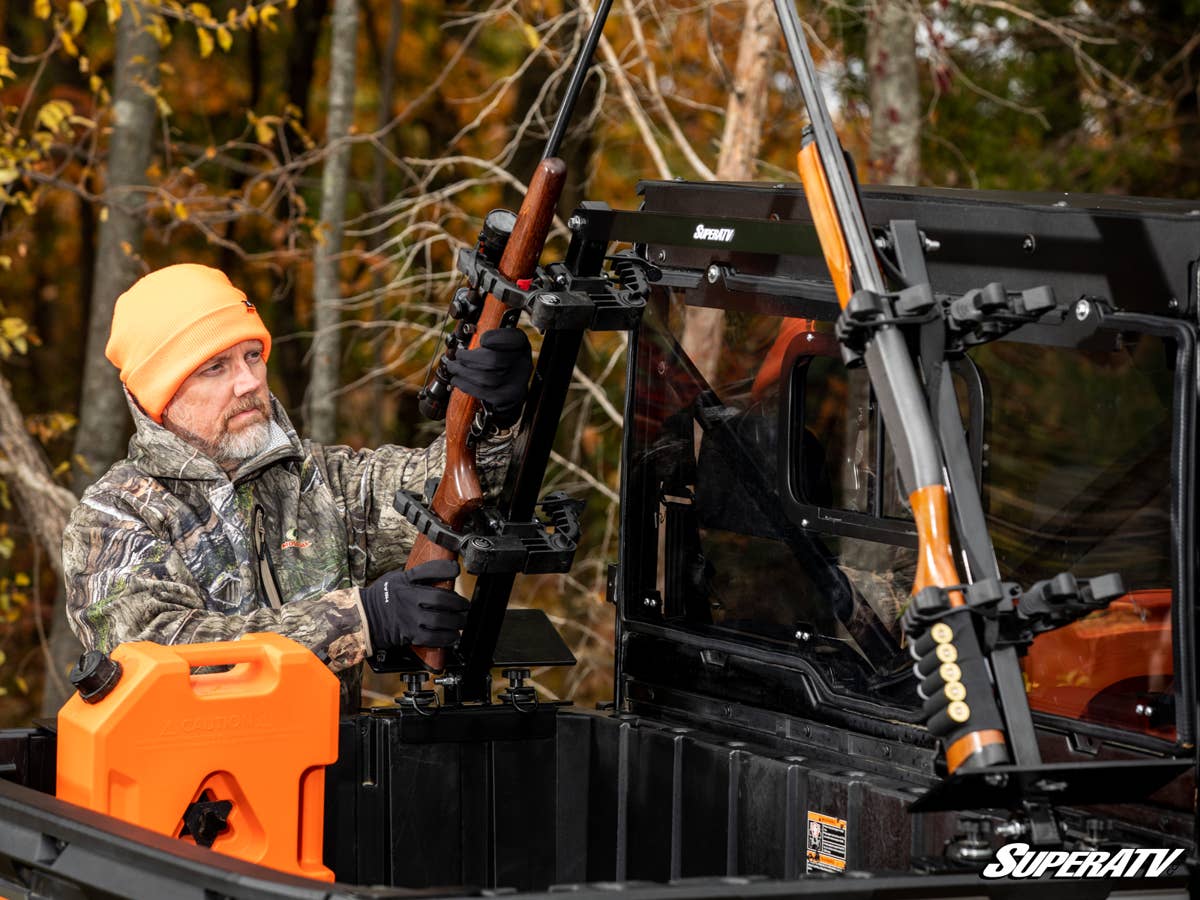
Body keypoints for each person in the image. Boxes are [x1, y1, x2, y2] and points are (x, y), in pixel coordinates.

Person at [61, 264, 532, 709]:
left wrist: (494, 418)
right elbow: (173, 655)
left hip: (332, 777)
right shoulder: (113, 516)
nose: (248, 381)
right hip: (203, 788)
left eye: (252, 356)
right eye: (214, 368)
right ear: (159, 397)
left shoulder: (316, 480)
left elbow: (450, 492)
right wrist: (361, 619)